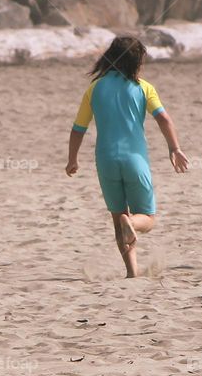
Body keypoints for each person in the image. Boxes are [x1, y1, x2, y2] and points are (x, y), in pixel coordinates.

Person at [66, 36, 189, 278]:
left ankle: (132, 272)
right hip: (135, 160)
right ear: (136, 62)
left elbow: (78, 128)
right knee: (148, 219)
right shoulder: (143, 87)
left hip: (105, 160)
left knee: (117, 216)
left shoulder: (94, 88)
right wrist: (174, 148)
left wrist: (72, 159)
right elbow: (163, 118)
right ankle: (132, 224)